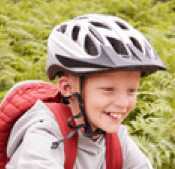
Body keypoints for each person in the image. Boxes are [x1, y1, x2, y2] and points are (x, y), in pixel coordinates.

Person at [5, 14, 166, 169]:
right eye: (108, 89)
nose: (123, 103)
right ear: (67, 88)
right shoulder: (44, 132)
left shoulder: (116, 140)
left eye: (131, 90)